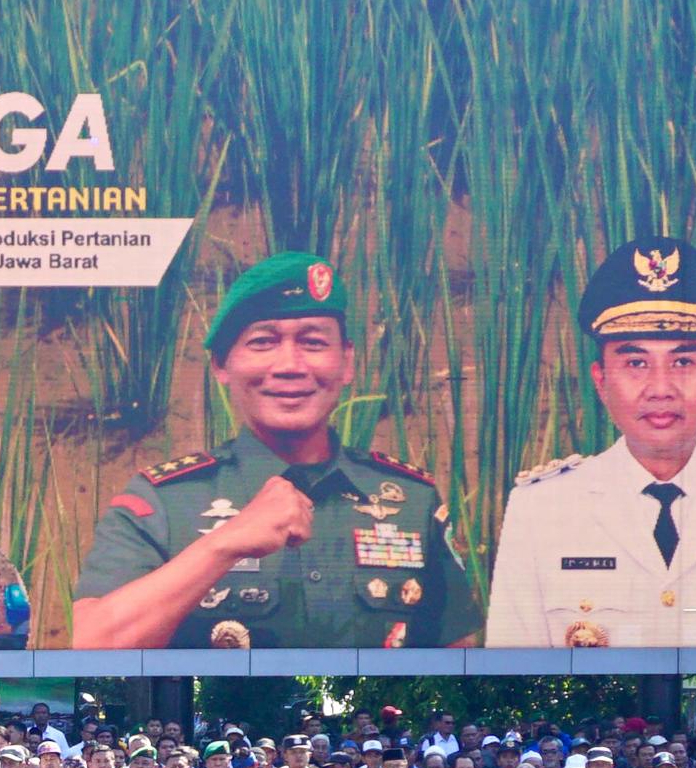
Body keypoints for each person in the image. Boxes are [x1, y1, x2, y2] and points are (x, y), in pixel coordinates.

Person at [69, 249, 477, 650]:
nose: (290, 365)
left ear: (347, 362)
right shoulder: (161, 503)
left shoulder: (412, 501)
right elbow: (93, 643)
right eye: (263, 341)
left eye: (313, 342)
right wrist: (223, 545)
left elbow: (459, 656)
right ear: (221, 365)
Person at [483, 236, 696, 649]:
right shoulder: (541, 508)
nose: (660, 388)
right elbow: (516, 659)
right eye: (635, 363)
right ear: (601, 380)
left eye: (683, 362)